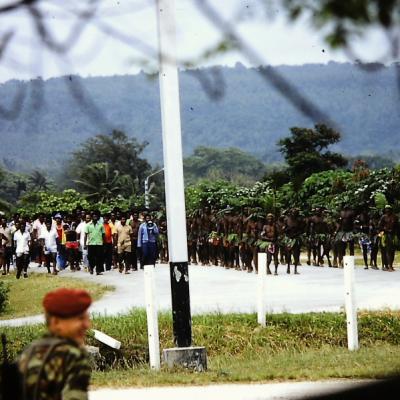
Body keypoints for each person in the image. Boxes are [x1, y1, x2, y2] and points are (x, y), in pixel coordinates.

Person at [18, 288, 92, 400]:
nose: (87, 325)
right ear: (56, 322)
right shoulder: (74, 355)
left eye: (87, 318)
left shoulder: (29, 351)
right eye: (80, 319)